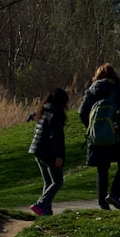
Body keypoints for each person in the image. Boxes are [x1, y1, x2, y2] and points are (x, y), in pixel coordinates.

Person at [79, 63, 120, 210]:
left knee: (102, 168)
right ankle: (114, 195)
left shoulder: (91, 91)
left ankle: (102, 203)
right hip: (118, 134)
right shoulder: (117, 88)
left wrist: (94, 128)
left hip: (97, 137)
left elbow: (81, 112)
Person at [27, 88, 69, 216]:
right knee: (58, 181)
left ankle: (46, 210)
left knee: (48, 181)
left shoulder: (43, 111)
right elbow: (55, 136)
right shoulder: (56, 114)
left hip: (37, 150)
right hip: (48, 151)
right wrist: (59, 156)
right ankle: (41, 204)